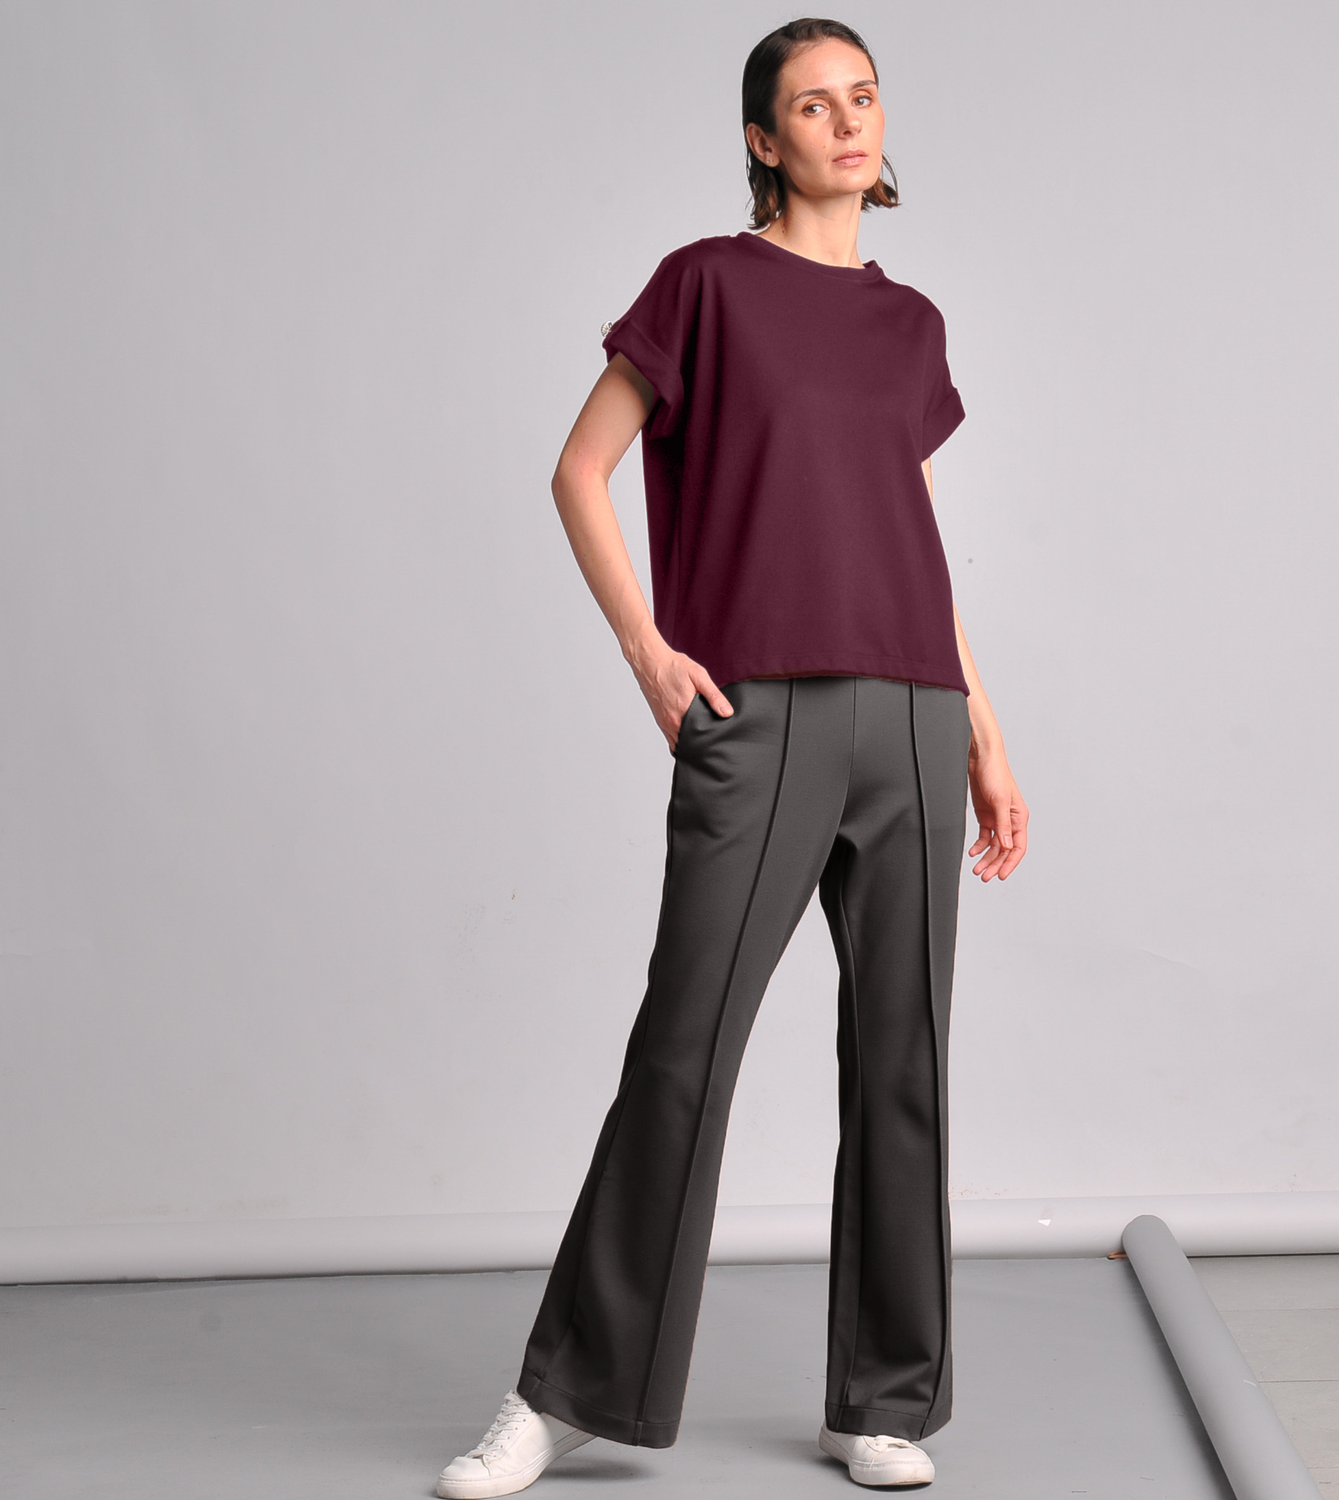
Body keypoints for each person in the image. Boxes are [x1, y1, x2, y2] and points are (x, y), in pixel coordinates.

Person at [436, 17, 1028, 1497]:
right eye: (813, 106)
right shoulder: (704, 284)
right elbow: (579, 469)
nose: (847, 121)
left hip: (914, 711)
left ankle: (881, 1400)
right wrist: (648, 649)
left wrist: (985, 732)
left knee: (905, 1061)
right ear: (764, 140)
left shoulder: (912, 324)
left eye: (863, 97)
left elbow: (913, 531)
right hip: (755, 711)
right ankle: (570, 1392)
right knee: (684, 1046)